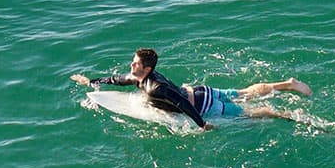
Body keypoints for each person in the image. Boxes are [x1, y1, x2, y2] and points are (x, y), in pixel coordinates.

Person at [70, 48, 313, 128]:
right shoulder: (140, 77)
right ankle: (288, 84)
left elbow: (181, 104)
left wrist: (201, 124)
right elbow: (117, 79)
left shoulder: (155, 88)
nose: (131, 65)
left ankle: (285, 114)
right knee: (243, 93)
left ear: (146, 68)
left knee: (252, 113)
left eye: (135, 63)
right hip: (202, 91)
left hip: (206, 105)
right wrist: (91, 82)